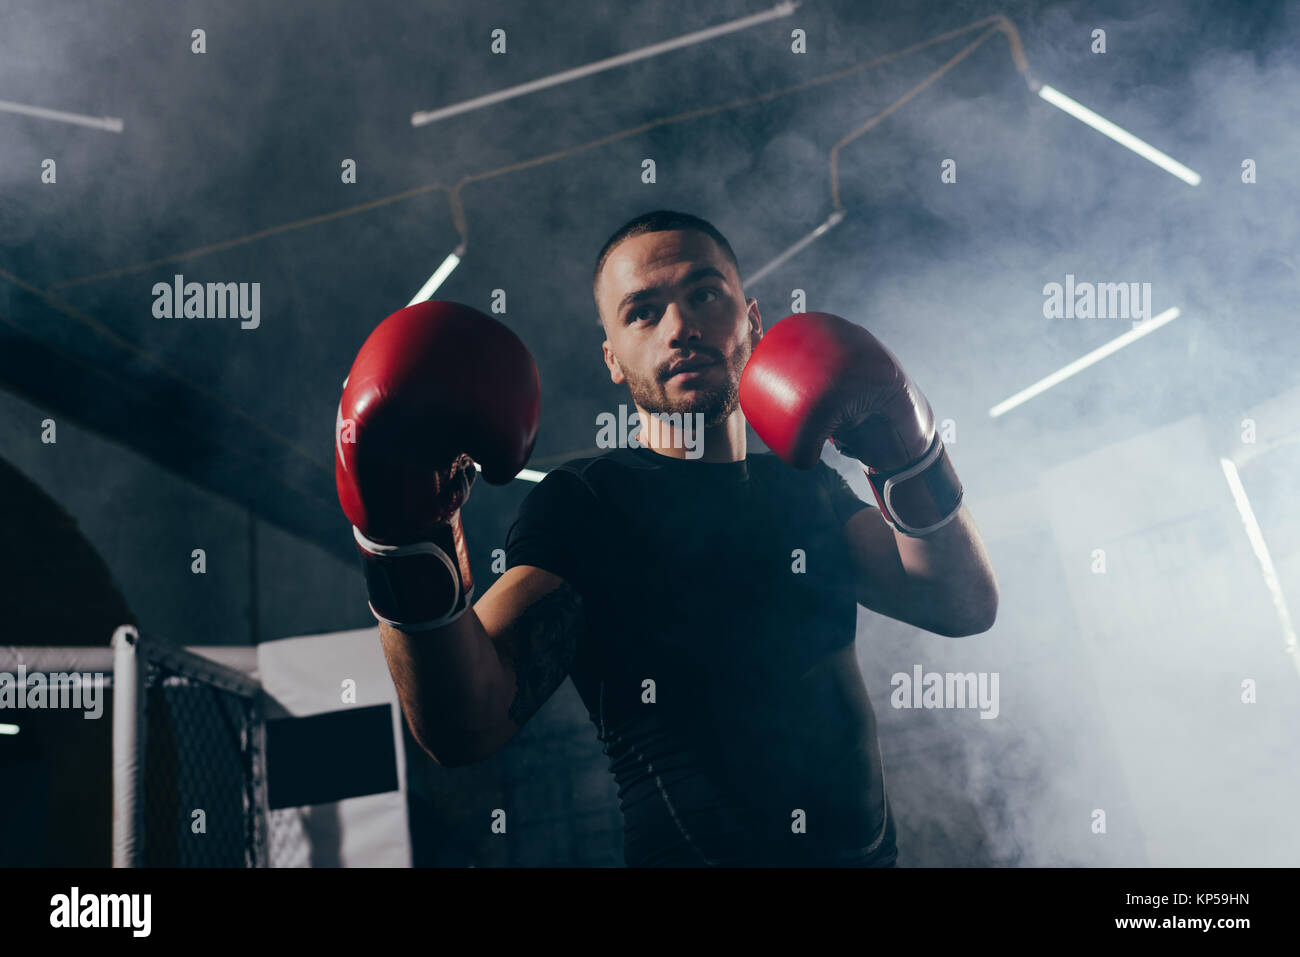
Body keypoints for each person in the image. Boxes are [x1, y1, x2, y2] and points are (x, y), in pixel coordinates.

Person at [335, 209, 999, 867]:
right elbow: (465, 723)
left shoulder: (807, 489)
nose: (680, 327)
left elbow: (961, 603)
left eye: (704, 294)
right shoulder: (590, 503)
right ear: (613, 359)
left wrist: (906, 453)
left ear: (754, 321)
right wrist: (403, 538)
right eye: (643, 313)